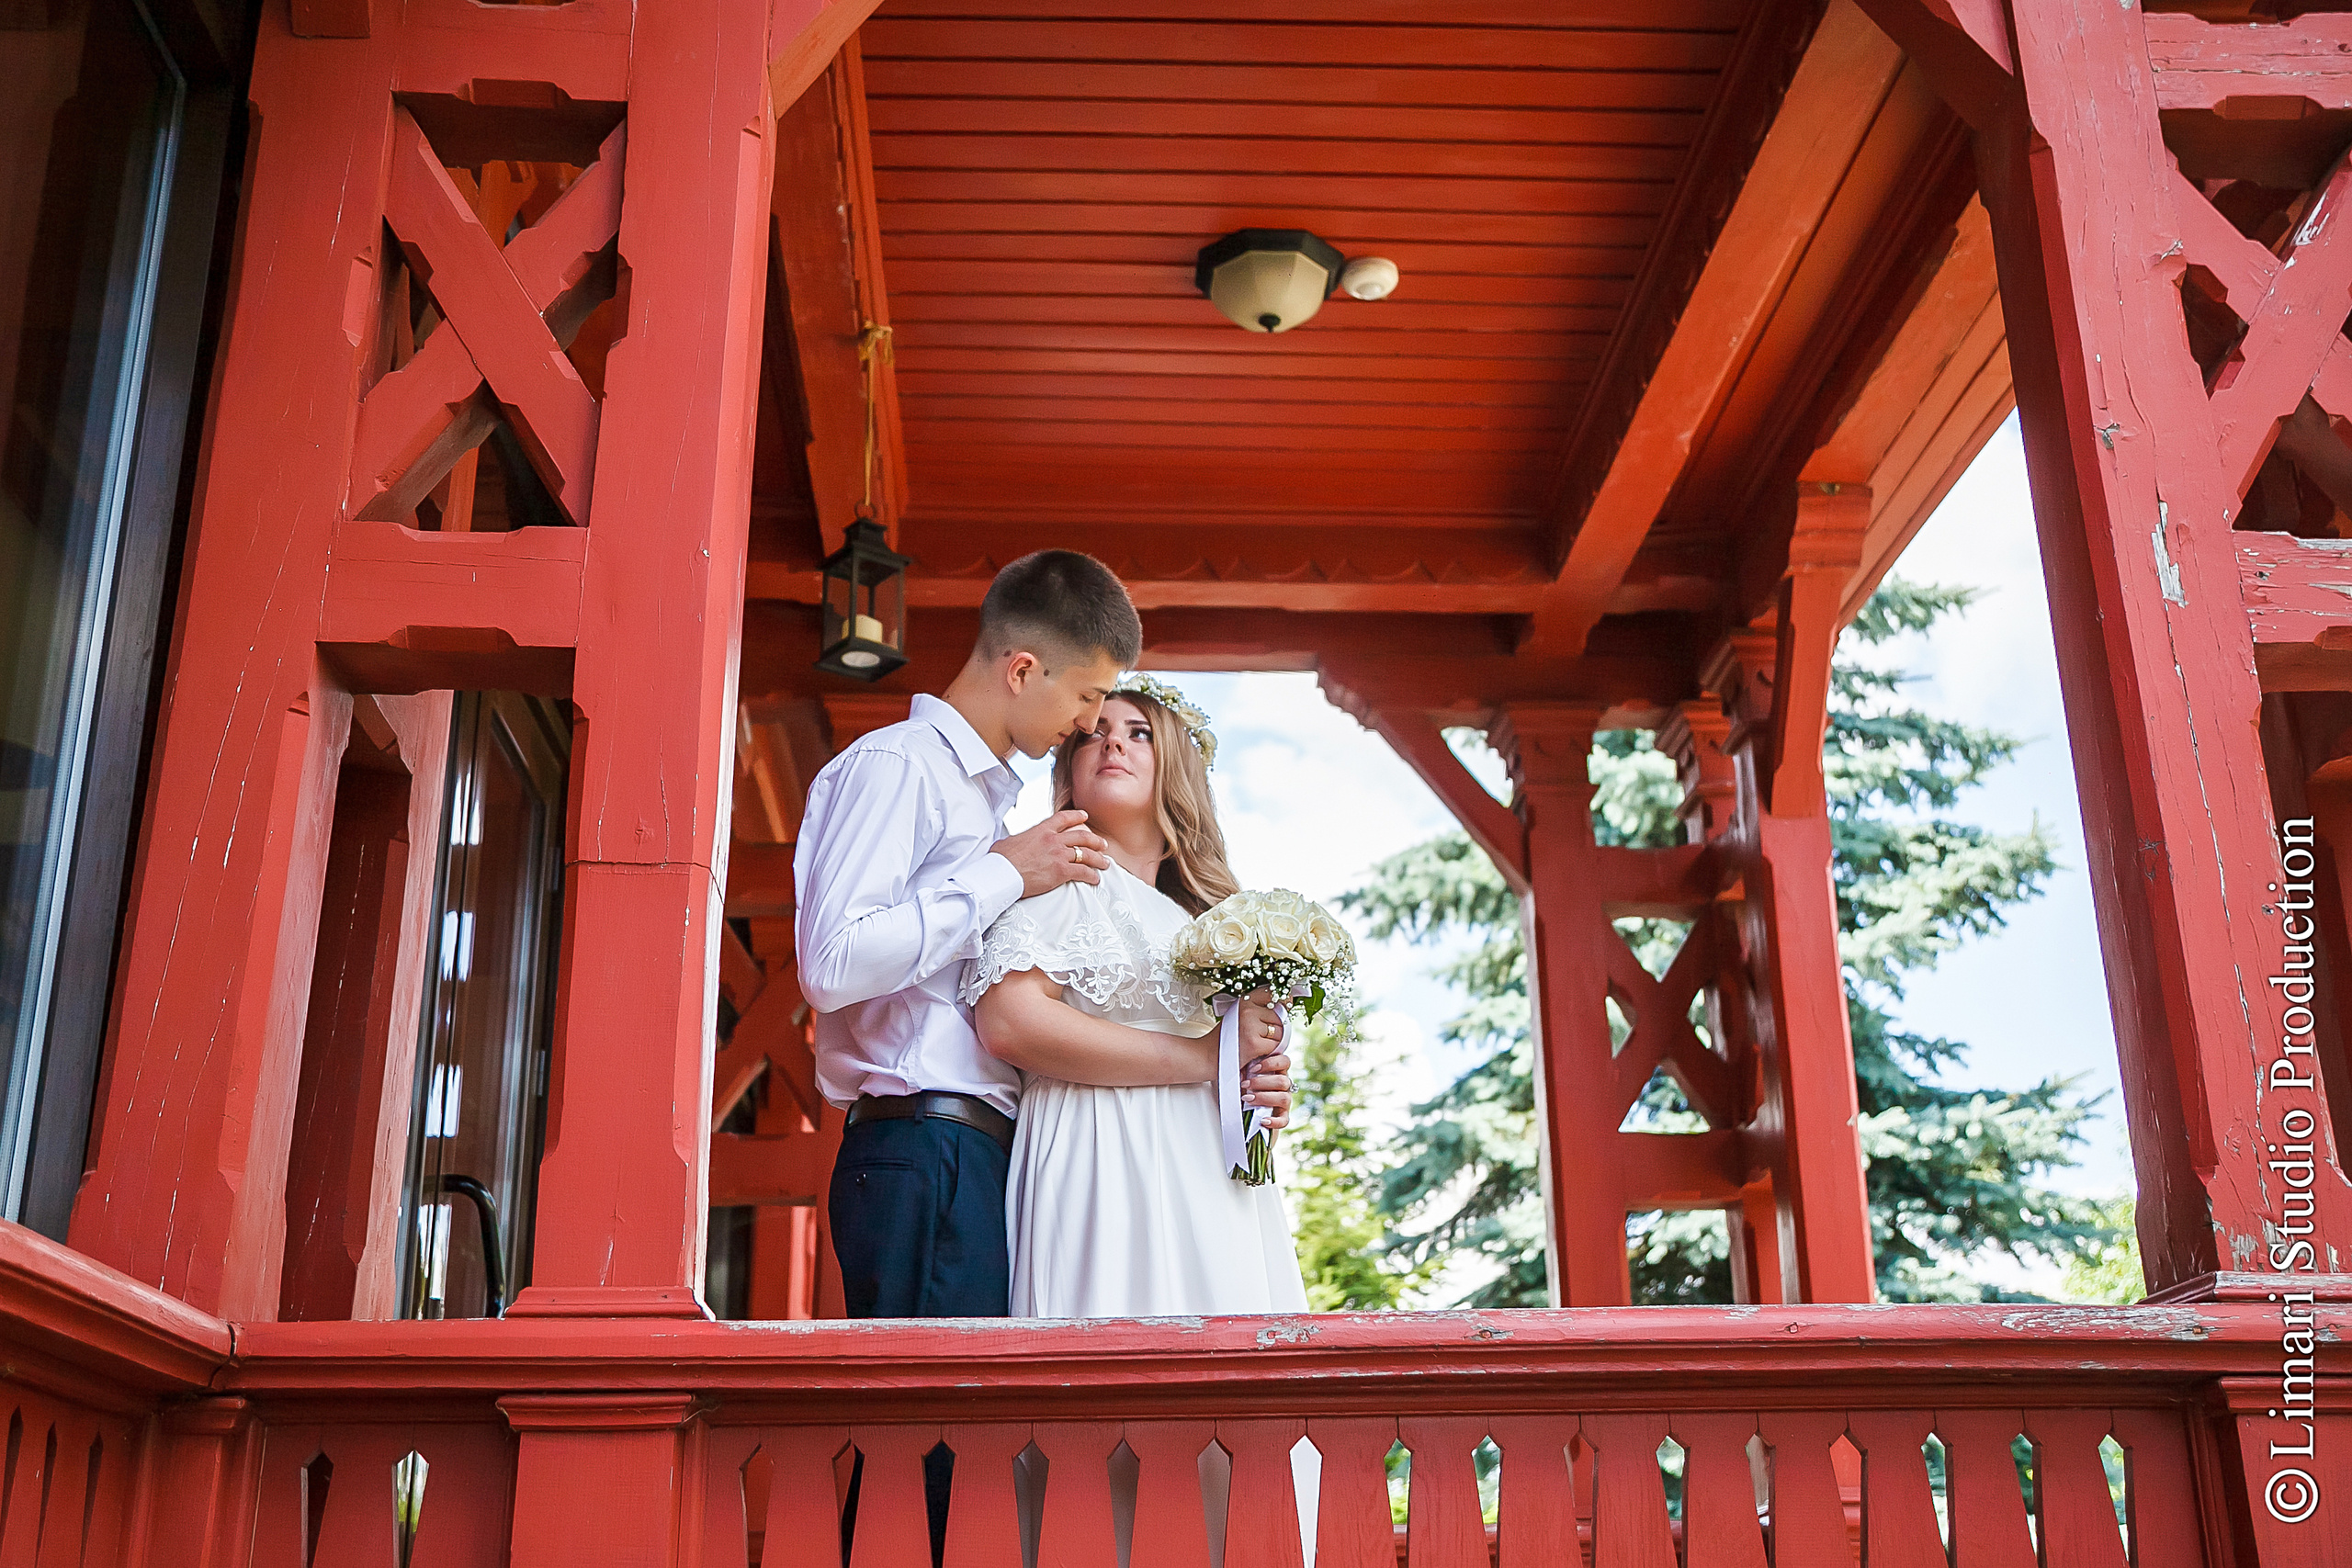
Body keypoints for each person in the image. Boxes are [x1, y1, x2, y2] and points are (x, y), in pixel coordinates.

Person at [793, 550, 1293, 1319]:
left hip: (980, 1147)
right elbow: (831, 964)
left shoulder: (987, 813)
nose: (1093, 725)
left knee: (965, 1432)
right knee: (934, 1430)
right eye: (1091, 698)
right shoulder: (903, 768)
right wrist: (1003, 873)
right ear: (1024, 670)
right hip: (926, 1138)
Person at [967, 677, 1310, 1317]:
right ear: (1069, 769)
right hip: (1099, 1157)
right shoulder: (1062, 879)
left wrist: (1253, 1087)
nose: (1111, 744)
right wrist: (1206, 1061)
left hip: (1207, 1173)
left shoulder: (1213, 922)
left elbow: (1228, 1062)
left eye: (1138, 733)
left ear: (1175, 763)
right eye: (1093, 733)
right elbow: (1010, 1022)